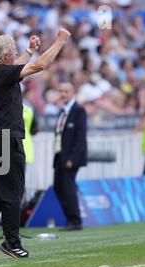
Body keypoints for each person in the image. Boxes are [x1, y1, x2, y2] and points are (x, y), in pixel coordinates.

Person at [0, 28, 71, 259]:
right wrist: (60, 42)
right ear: (5, 54)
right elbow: (39, 66)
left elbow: (17, 68)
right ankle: (11, 242)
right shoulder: (1, 74)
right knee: (13, 191)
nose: (15, 51)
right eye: (13, 48)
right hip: (4, 138)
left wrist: (29, 51)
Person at [53, 82, 87, 231]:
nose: (63, 94)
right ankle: (70, 219)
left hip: (70, 157)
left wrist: (72, 158)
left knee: (68, 188)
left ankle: (75, 220)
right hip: (60, 155)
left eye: (66, 91)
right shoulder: (62, 112)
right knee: (58, 187)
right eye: (60, 91)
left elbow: (80, 137)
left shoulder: (78, 110)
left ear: (72, 92)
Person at [23, 104, 39, 203]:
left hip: (11, 147)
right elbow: (36, 128)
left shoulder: (5, 105)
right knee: (20, 181)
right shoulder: (29, 109)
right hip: (26, 147)